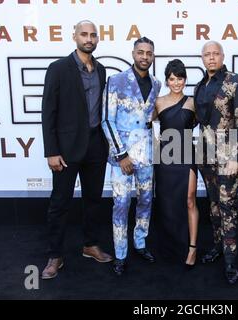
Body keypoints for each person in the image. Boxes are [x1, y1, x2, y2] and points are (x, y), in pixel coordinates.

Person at [41, 20, 113, 280]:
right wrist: (51, 151)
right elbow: (48, 112)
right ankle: (55, 254)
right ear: (75, 37)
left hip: (96, 144)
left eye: (93, 34)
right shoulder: (58, 69)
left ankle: (90, 245)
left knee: (93, 200)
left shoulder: (101, 70)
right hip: (66, 148)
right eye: (84, 34)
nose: (89, 38)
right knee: (60, 203)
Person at [102, 37, 161, 275]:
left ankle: (140, 242)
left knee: (146, 201)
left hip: (146, 156)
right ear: (133, 54)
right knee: (122, 204)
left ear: (153, 56)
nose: (144, 56)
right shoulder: (115, 81)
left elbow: (151, 119)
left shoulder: (157, 84)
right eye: (140, 52)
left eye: (148, 53)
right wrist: (121, 154)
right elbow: (107, 120)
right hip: (122, 157)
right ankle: (120, 254)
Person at [194, 41, 238, 284]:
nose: (211, 58)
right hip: (205, 155)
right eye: (207, 54)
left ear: (222, 56)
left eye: (215, 53)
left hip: (228, 156)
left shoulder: (236, 82)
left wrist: (236, 157)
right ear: (202, 58)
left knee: (228, 206)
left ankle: (230, 260)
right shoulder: (200, 85)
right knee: (214, 204)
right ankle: (218, 247)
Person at [154, 59, 199, 268]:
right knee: (166, 203)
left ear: (185, 80)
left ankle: (192, 248)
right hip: (165, 157)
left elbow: (202, 124)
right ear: (167, 80)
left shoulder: (192, 102)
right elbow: (148, 127)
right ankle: (168, 247)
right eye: (172, 79)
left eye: (180, 79)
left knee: (190, 199)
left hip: (187, 155)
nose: (176, 83)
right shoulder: (159, 102)